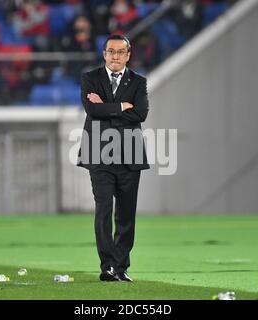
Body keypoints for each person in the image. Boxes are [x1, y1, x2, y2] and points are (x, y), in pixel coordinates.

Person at [77, 34, 150, 282]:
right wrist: (121, 107)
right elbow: (91, 110)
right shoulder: (90, 78)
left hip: (129, 153)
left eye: (120, 52)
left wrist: (106, 108)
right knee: (104, 208)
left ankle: (121, 267)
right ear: (104, 54)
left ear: (128, 55)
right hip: (98, 153)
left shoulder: (139, 82)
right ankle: (107, 266)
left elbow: (141, 114)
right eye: (111, 51)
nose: (115, 56)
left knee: (126, 213)